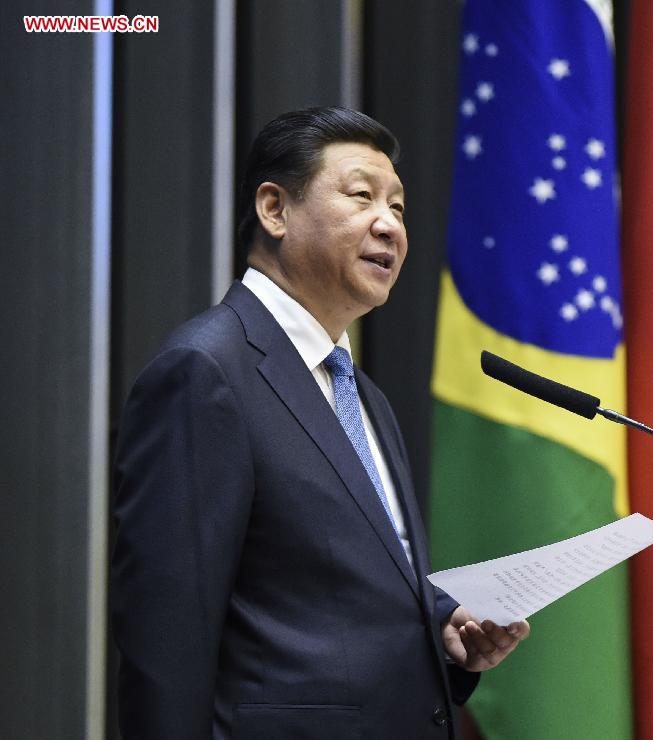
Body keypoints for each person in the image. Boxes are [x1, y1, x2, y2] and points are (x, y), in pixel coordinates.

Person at [110, 107, 529, 739]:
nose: (389, 224)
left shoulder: (361, 393)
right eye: (361, 196)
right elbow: (164, 638)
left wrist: (443, 624)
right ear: (274, 209)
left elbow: (335, 584)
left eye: (398, 205)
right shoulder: (205, 371)